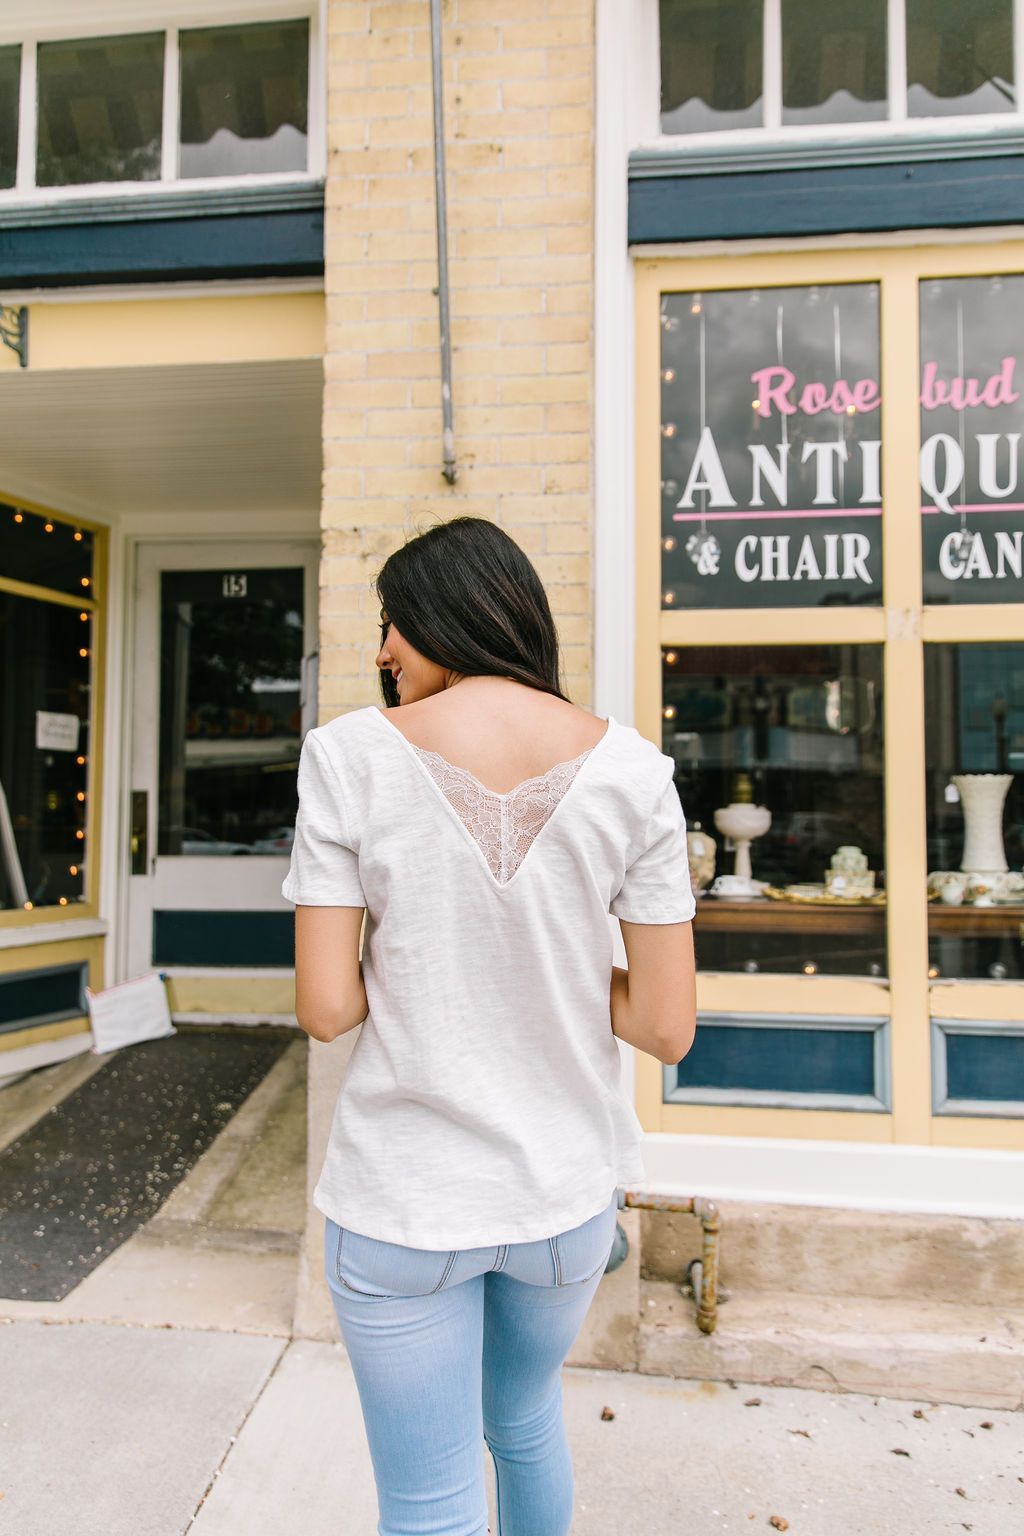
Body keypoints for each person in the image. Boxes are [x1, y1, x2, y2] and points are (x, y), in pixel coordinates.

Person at [282, 516, 697, 1536]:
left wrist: (434, 958)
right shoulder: (635, 771)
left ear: (448, 616)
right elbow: (665, 1025)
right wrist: (548, 962)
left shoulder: (345, 756)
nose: (381, 651)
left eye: (393, 625)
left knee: (428, 1502)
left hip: (404, 1200)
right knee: (522, 1426)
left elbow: (326, 1008)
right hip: (560, 1203)